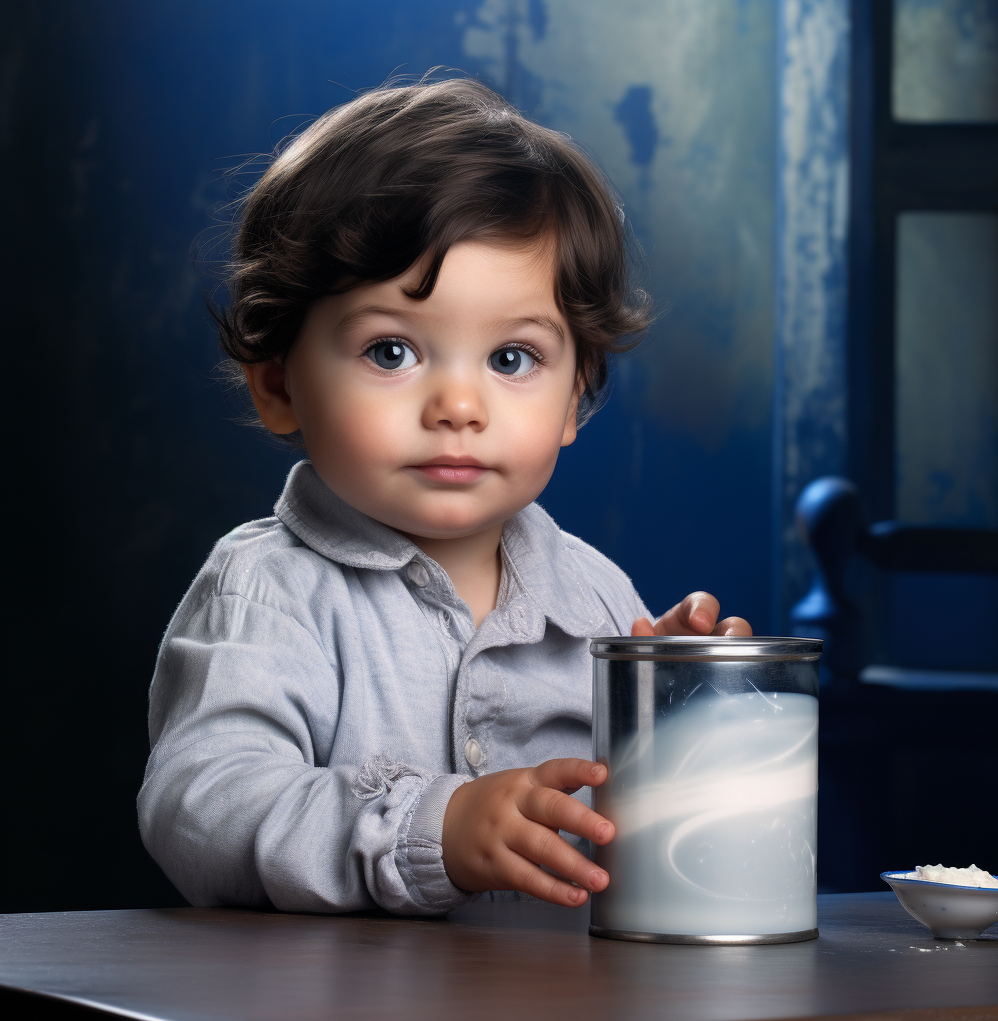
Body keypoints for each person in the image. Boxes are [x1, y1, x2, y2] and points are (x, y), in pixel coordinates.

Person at [138, 77, 751, 917]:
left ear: (576, 398)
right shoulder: (268, 593)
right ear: (278, 384)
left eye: (511, 360)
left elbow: (645, 830)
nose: (459, 407)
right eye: (391, 352)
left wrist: (674, 719)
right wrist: (434, 826)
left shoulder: (600, 601)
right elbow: (204, 811)